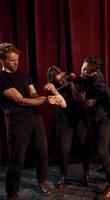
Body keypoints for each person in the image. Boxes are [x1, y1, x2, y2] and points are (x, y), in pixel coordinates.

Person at [0, 43, 65, 200]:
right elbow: (21, 100)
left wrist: (46, 97)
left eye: (17, 59)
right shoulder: (1, 79)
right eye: (11, 60)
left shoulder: (24, 76)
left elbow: (33, 95)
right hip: (18, 120)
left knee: (43, 152)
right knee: (18, 158)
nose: (16, 63)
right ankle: (12, 192)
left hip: (35, 117)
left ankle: (42, 181)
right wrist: (45, 101)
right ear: (2, 60)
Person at [79, 56, 110, 199]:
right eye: (82, 67)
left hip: (104, 119)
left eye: (85, 70)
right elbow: (83, 81)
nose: (82, 71)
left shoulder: (99, 82)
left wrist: (95, 101)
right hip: (96, 118)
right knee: (102, 149)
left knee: (102, 150)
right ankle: (107, 170)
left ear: (93, 72)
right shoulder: (90, 76)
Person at [45, 66, 91, 188]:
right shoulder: (54, 88)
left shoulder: (75, 81)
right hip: (64, 119)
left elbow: (80, 98)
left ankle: (86, 173)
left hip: (79, 117)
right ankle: (63, 175)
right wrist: (54, 90)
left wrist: (71, 83)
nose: (61, 76)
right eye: (57, 76)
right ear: (53, 80)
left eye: (60, 73)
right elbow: (62, 104)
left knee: (83, 145)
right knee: (64, 149)